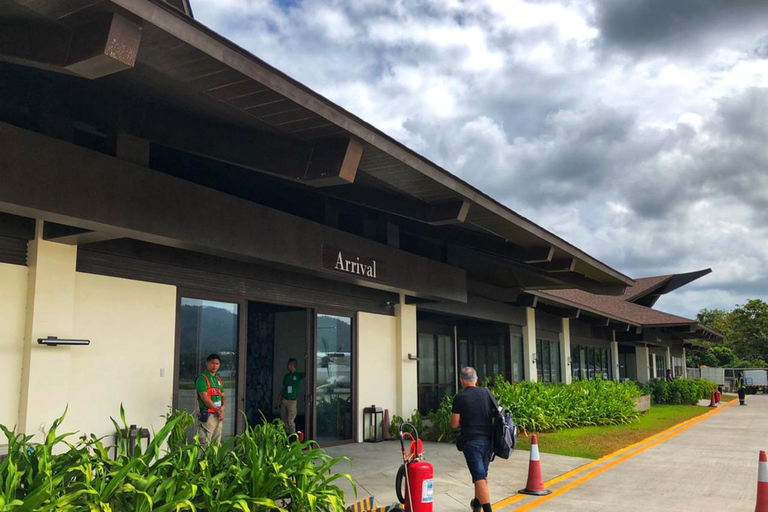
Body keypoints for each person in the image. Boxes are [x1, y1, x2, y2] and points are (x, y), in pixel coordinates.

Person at [451, 367, 495, 512]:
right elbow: (496, 413)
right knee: (482, 474)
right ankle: (477, 504)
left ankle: (488, 509)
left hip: (472, 442)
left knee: (478, 476)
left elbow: (454, 423)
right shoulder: (486, 393)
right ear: (476, 379)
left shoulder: (460, 397)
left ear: (461, 380)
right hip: (489, 441)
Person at [195, 353, 226, 448]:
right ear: (207, 364)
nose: (215, 366)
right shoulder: (202, 379)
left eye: (217, 364)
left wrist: (222, 409)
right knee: (204, 444)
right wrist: (217, 410)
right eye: (212, 363)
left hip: (218, 415)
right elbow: (205, 398)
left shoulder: (218, 379)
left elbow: (223, 396)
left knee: (216, 444)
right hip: (208, 416)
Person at [276, 357, 306, 436]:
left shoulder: (298, 375)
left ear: (292, 365)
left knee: (290, 420)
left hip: (292, 401)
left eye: (289, 364)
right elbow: (283, 388)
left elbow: (306, 373)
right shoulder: (286, 376)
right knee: (283, 419)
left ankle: (293, 436)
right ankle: (286, 435)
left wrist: (306, 360)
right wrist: (278, 399)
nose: (287, 366)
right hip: (285, 399)